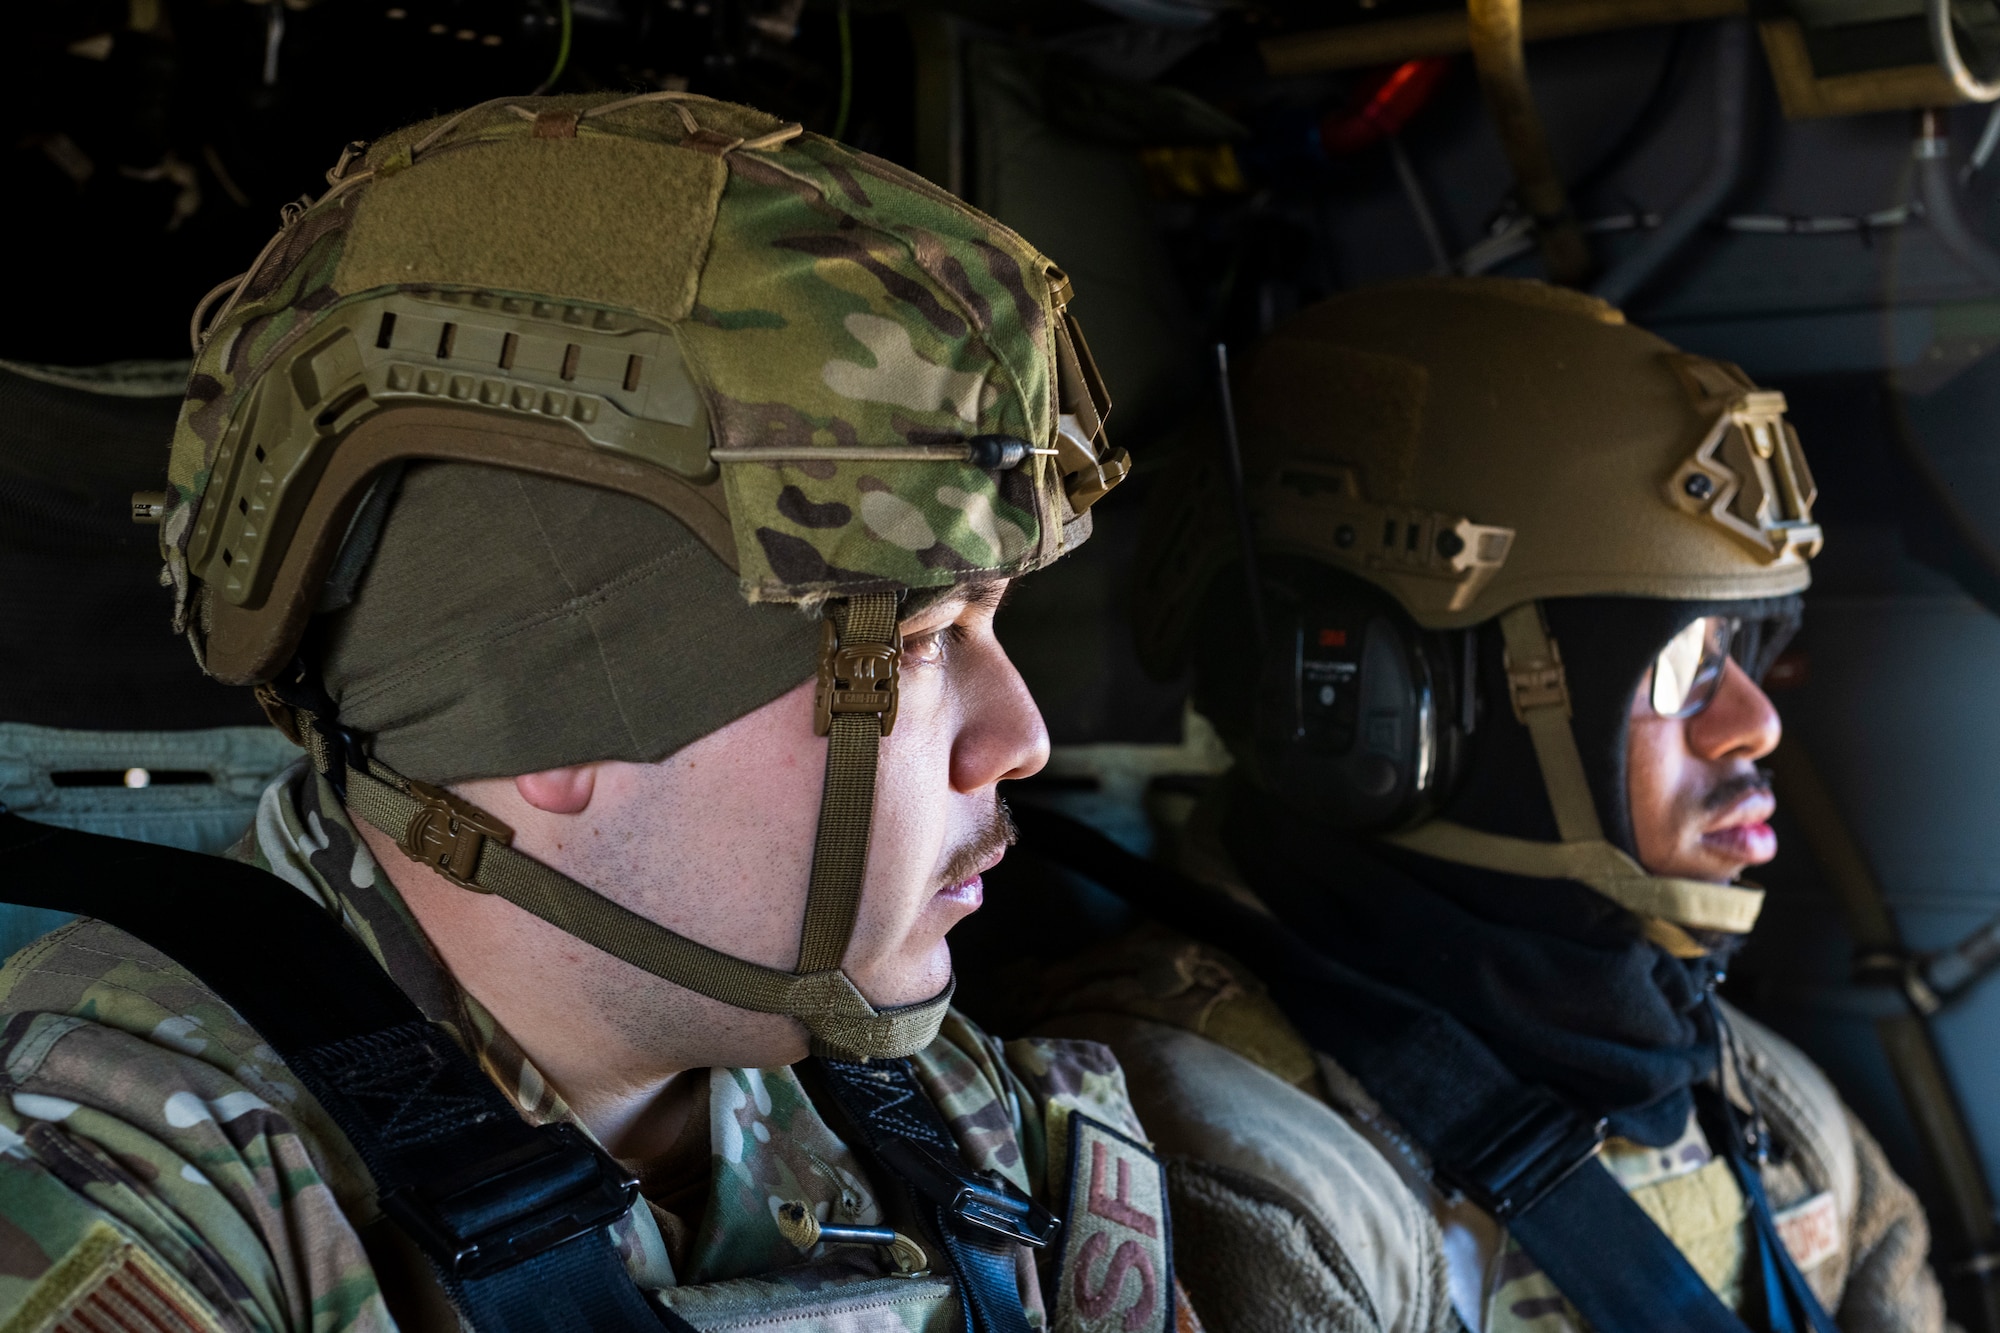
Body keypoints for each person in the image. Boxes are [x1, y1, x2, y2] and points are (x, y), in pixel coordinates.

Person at [0, 91, 1188, 1333]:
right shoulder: (109, 1186)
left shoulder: (942, 1111)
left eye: (986, 624)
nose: (1021, 739)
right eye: (922, 640)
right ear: (553, 724)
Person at [1002, 277, 1948, 1333]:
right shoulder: (1218, 1150)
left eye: (1750, 651)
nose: (1751, 722)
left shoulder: (1754, 1097)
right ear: (1381, 706)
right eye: (1683, 661)